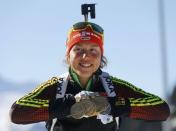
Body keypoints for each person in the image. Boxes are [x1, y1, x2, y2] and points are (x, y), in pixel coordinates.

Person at [10, 21, 170, 131]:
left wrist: (113, 105)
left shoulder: (113, 86)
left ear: (101, 56)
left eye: (93, 50)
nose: (86, 56)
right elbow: (17, 113)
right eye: (78, 49)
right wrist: (70, 105)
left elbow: (161, 109)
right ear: (68, 56)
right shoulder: (57, 86)